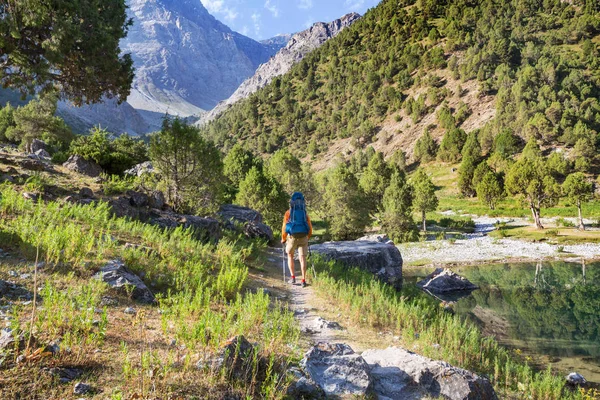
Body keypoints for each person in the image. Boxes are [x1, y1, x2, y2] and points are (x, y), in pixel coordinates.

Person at [281, 192, 312, 288]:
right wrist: (308, 237)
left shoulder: (288, 213)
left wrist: (283, 239)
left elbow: (284, 227)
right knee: (302, 258)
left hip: (292, 238)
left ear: (292, 202)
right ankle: (303, 280)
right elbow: (310, 227)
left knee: (290, 255)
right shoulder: (304, 213)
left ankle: (293, 277)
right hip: (303, 237)